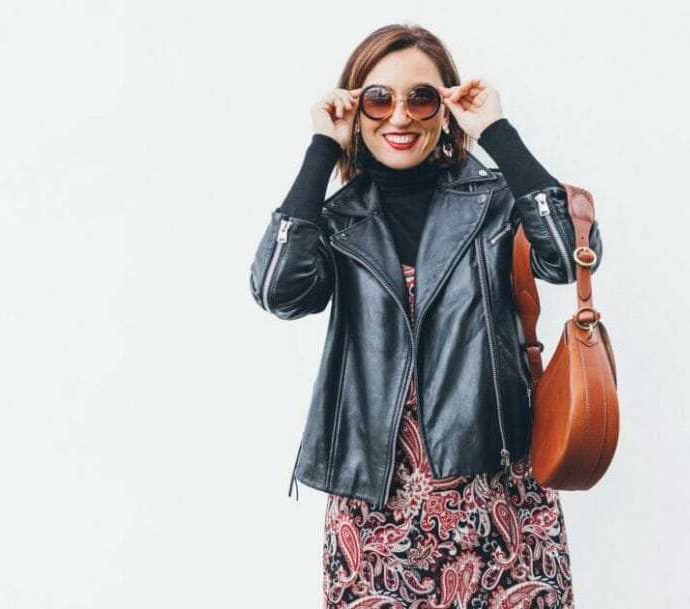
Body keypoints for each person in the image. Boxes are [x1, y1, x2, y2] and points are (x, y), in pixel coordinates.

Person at [248, 23, 603, 608]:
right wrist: (321, 151)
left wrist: (495, 130)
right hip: (375, 504)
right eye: (378, 98)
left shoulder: (492, 203)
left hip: (497, 490)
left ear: (446, 108)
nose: (400, 116)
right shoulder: (336, 220)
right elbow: (275, 290)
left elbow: (569, 256)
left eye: (421, 97)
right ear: (354, 109)